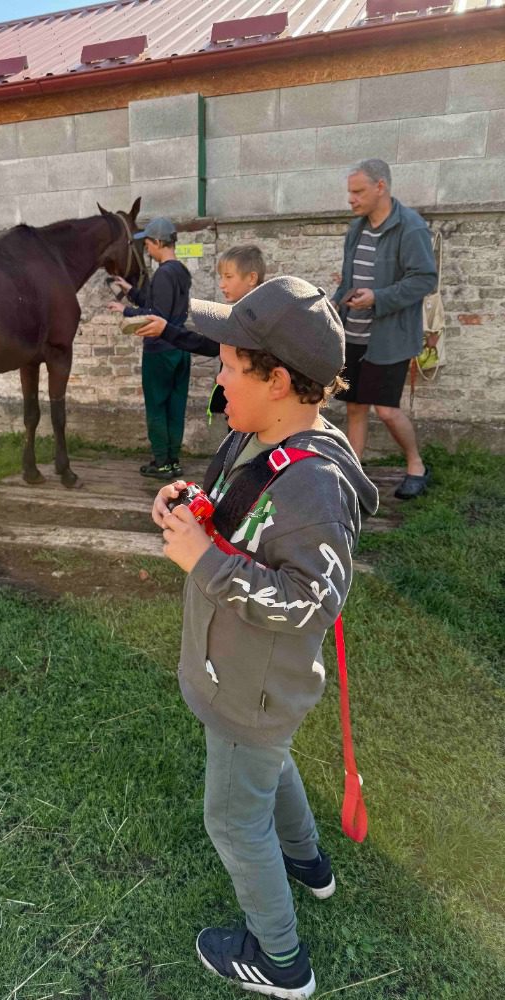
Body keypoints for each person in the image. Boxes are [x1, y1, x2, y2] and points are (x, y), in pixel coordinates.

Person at [150, 276, 379, 998]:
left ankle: (281, 960)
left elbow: (312, 602)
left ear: (277, 381)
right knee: (269, 765)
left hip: (248, 689)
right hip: (247, 685)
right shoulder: (254, 436)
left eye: (229, 366)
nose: (217, 378)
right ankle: (308, 863)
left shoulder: (315, 488)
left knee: (233, 820)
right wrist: (192, 505)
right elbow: (238, 509)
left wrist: (207, 562)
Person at [333, 159, 437, 499]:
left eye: (358, 191)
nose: (351, 199)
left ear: (381, 187)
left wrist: (378, 298)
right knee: (355, 407)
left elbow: (425, 280)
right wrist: (333, 307)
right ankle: (353, 475)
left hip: (390, 339)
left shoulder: (411, 227)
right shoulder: (356, 229)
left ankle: (416, 466)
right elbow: (348, 280)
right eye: (350, 191)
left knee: (387, 410)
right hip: (353, 335)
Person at [133, 244, 266, 422]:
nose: (221, 284)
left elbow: (209, 345)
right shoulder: (246, 312)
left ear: (251, 278)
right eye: (221, 277)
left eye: (228, 277)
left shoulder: (255, 317)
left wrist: (166, 330)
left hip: (253, 409)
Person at [107, 217, 191, 479]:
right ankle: (173, 461)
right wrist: (130, 290)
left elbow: (156, 314)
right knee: (175, 407)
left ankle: (161, 463)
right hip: (180, 347)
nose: (146, 249)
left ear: (158, 242)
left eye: (148, 244)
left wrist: (125, 310)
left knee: (157, 407)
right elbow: (157, 302)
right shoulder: (180, 271)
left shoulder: (164, 273)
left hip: (160, 350)